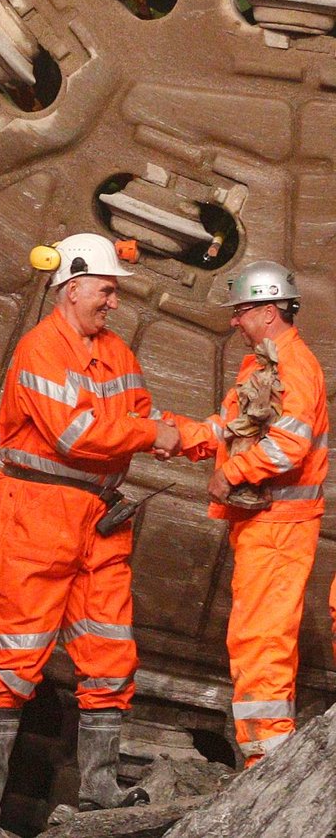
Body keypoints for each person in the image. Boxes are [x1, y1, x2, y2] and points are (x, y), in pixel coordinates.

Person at [0, 232, 180, 822]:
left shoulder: (117, 354)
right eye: (106, 291)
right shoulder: (40, 349)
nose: (113, 302)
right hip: (40, 513)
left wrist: (201, 436)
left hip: (100, 519)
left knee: (110, 651)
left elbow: (145, 417)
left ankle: (99, 787)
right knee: (15, 651)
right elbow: (75, 434)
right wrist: (150, 434)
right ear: (73, 285)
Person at [159, 261, 328, 766]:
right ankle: (264, 757)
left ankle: (268, 764)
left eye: (243, 310)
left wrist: (231, 475)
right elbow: (230, 427)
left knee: (262, 642)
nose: (236, 321)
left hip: (280, 528)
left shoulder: (293, 367)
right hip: (263, 527)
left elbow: (287, 447)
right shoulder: (262, 366)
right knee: (253, 638)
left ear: (271, 310)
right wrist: (170, 434)